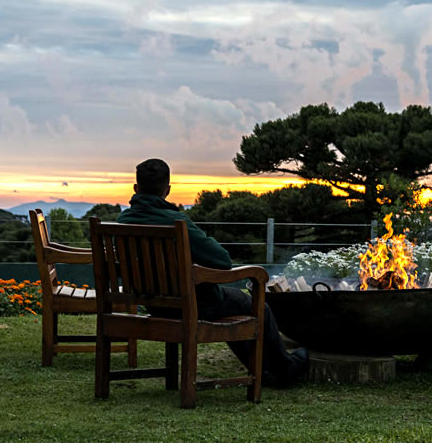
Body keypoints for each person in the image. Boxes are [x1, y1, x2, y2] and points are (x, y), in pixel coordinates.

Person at [117, 158, 308, 387]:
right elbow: (222, 261)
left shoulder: (122, 221)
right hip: (194, 304)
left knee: (234, 307)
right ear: (167, 190)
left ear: (136, 188)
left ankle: (264, 372)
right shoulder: (176, 222)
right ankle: (286, 370)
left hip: (153, 305)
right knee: (257, 307)